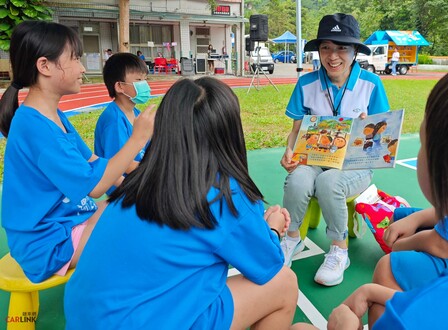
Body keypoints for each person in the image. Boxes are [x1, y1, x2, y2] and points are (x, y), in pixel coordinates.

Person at [64, 77, 316, 329]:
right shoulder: (226, 196)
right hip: (147, 320)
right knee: (283, 283)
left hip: (84, 317)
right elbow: (267, 264)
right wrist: (271, 228)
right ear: (230, 132)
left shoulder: (137, 182)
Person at [328, 53, 448, 329]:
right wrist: (370, 291)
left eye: (423, 142)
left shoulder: (413, 317)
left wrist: (343, 326)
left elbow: (428, 303)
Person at [0, 21, 155, 283]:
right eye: (74, 58)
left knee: (145, 209)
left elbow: (95, 161)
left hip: (68, 221)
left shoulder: (52, 116)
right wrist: (138, 139)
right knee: (144, 235)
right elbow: (96, 186)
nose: (83, 68)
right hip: (47, 244)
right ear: (44, 66)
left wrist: (139, 189)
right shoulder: (35, 126)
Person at [280, 13, 390, 287]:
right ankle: (291, 239)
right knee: (298, 179)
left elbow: (384, 136)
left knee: (329, 182)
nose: (333, 56)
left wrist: (371, 130)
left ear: (354, 51)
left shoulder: (372, 85)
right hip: (314, 157)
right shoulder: (306, 83)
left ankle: (340, 250)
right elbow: (296, 130)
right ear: (318, 51)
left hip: (355, 164)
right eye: (326, 47)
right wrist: (289, 150)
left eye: (342, 47)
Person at [94, 53, 151, 195]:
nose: (145, 84)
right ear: (120, 86)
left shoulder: (136, 113)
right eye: (139, 80)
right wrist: (156, 171)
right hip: (123, 192)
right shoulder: (114, 120)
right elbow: (122, 165)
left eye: (145, 79)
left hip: (139, 181)